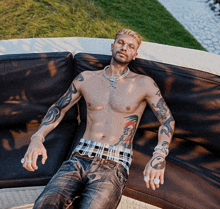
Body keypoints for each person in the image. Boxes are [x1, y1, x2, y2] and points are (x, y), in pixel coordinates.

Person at [22, 29, 175, 209]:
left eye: (130, 46)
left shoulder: (144, 83)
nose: (124, 48)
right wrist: (37, 138)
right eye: (121, 43)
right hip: (79, 158)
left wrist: (159, 155)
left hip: (114, 164)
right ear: (112, 46)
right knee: (43, 205)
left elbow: (167, 120)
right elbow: (58, 108)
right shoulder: (86, 78)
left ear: (135, 54)